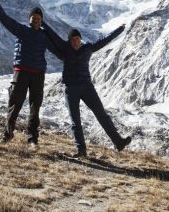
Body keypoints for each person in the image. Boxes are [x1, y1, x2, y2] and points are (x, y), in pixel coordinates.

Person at [43, 23, 131, 157]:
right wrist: (42, 23)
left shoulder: (88, 48)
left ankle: (118, 142)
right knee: (75, 121)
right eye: (73, 40)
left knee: (102, 114)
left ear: (81, 39)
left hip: (87, 87)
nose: (76, 42)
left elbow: (105, 40)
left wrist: (119, 29)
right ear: (69, 41)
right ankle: (81, 150)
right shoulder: (65, 48)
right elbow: (53, 36)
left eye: (77, 39)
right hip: (71, 89)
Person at [0, 0, 57, 146]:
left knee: (35, 108)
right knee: (15, 104)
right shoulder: (22, 30)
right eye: (34, 18)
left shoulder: (45, 36)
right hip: (21, 72)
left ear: (42, 21)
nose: (36, 20)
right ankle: (7, 134)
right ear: (30, 19)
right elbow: (5, 20)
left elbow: (58, 49)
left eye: (39, 18)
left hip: (38, 75)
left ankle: (32, 139)